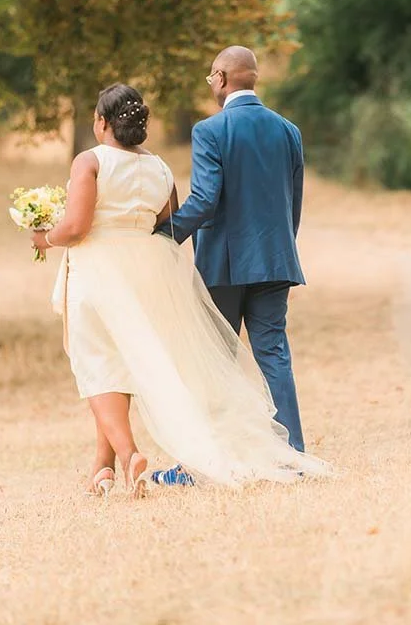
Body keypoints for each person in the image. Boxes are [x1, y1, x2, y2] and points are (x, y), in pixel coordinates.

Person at [31, 82, 328, 497]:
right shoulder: (159, 167)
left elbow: (79, 226)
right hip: (153, 268)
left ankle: (128, 451)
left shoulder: (90, 161)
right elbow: (168, 214)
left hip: (101, 268)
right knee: (128, 362)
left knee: (97, 363)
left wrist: (43, 237)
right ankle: (104, 464)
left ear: (101, 122)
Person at [151, 46, 308, 487]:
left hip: (223, 263)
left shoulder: (210, 130)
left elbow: (203, 199)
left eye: (210, 78)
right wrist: (279, 248)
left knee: (213, 361)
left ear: (221, 78)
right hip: (276, 259)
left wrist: (162, 235)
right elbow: (291, 203)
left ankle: (201, 464)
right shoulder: (288, 131)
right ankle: (292, 455)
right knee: (274, 355)